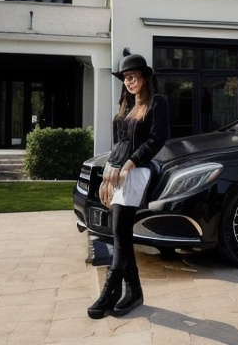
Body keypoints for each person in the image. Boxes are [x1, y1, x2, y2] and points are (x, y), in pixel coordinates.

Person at [87, 53, 170, 319]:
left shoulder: (157, 103)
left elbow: (157, 139)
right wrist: (107, 175)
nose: (130, 82)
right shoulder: (125, 106)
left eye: (134, 77)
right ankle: (133, 291)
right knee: (120, 233)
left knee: (120, 231)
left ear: (145, 78)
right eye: (126, 78)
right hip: (120, 173)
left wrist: (129, 164)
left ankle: (110, 291)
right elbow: (119, 146)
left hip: (139, 172)